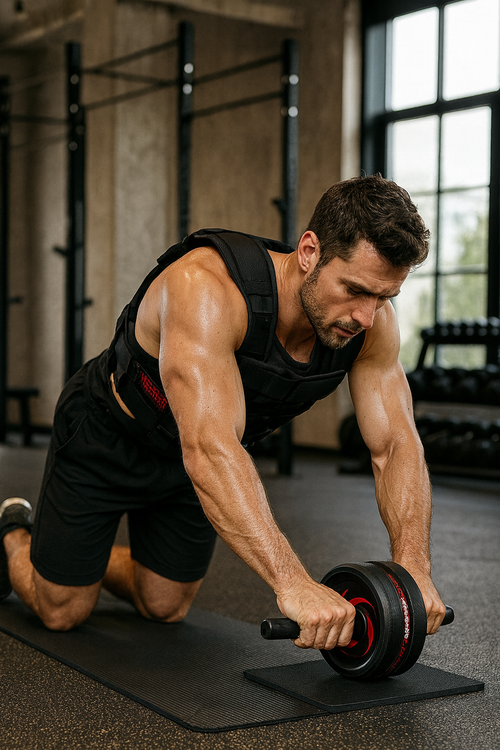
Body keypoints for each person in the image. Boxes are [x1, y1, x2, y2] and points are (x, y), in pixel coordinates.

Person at [0, 175, 446, 650]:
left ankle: (77, 557)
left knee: (164, 606)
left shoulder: (370, 325)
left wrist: (412, 570)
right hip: (109, 435)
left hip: (189, 461)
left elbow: (396, 444)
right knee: (62, 610)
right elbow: (211, 449)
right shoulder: (207, 288)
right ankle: (15, 531)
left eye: (384, 298)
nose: (366, 317)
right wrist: (293, 582)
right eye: (355, 289)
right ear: (310, 252)